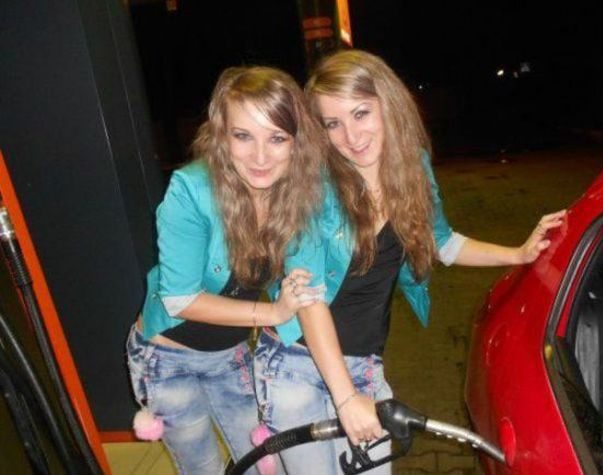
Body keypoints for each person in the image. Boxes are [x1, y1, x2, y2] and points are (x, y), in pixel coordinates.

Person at [254, 49, 566, 474]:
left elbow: (441, 241)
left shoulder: (412, 168)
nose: (351, 136)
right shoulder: (312, 186)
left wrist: (518, 253)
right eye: (332, 123)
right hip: (296, 364)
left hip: (362, 363)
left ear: (388, 104)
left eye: (361, 113)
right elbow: (308, 298)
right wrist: (346, 399)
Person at [125, 65, 325, 474]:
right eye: (243, 136)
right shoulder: (192, 189)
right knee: (204, 469)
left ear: (296, 141)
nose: (260, 157)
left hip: (230, 354)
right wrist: (272, 313)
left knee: (263, 464)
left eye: (276, 138)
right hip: (167, 357)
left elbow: (308, 287)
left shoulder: (296, 193)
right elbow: (180, 300)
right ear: (221, 134)